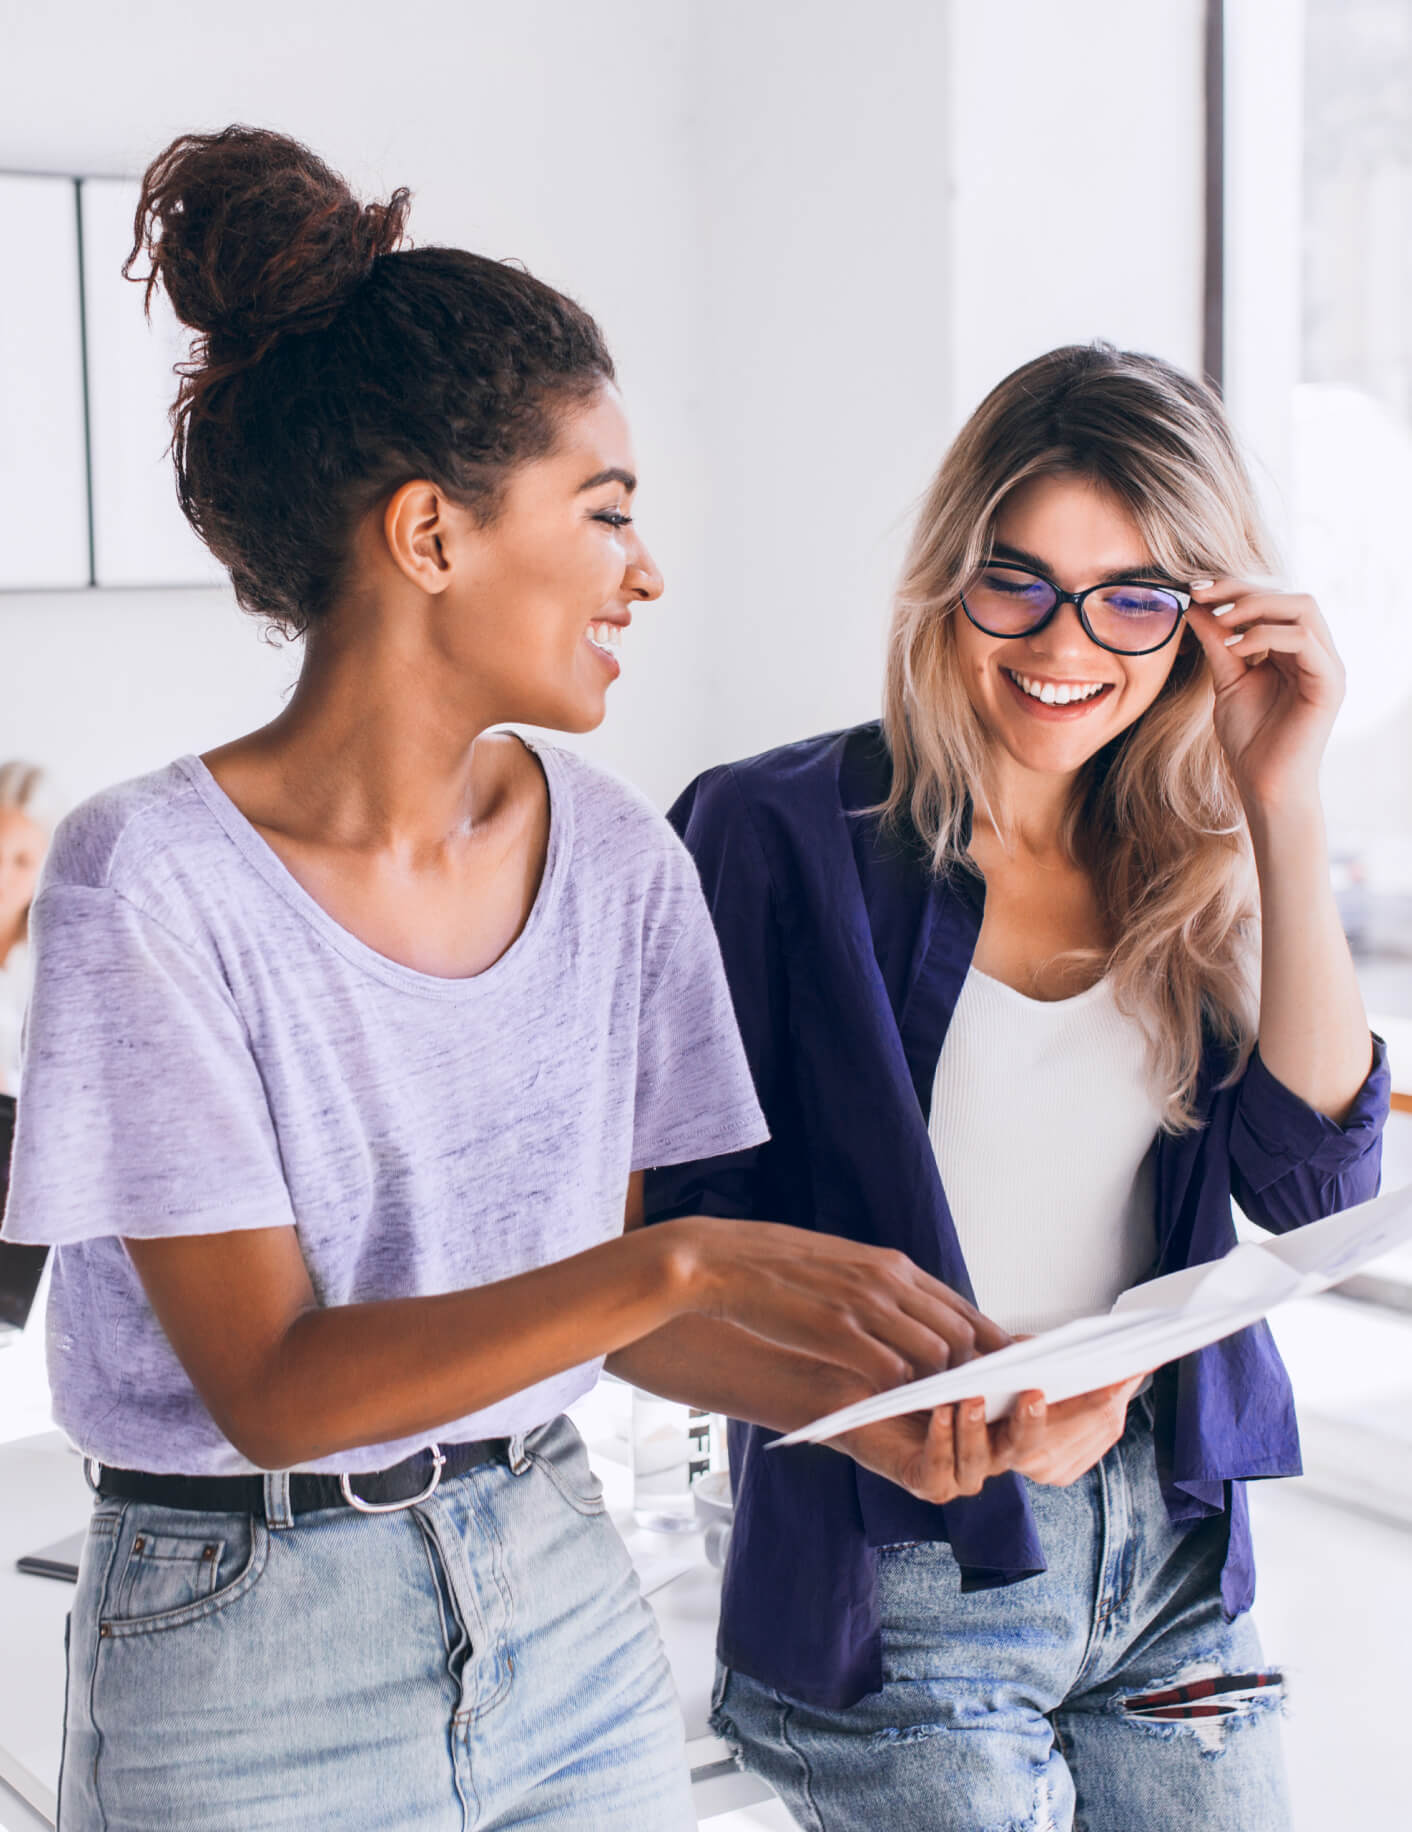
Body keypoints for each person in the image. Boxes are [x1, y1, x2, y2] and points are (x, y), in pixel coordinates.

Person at [0, 127, 1000, 1832]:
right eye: (606, 512)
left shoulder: (620, 868)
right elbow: (278, 1386)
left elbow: (580, 1335)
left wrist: (870, 1411)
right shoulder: (145, 883)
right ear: (430, 535)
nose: (647, 570)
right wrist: (676, 1258)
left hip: (555, 1591)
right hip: (246, 1645)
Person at [638, 345, 1389, 1832]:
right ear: (949, 576)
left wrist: (1282, 798)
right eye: (1019, 582)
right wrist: (877, 1417)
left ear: (1199, 620)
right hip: (900, 1574)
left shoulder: (1203, 855)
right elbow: (658, 1265)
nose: (1068, 641)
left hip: (1171, 1564)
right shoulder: (770, 833)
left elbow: (1313, 1188)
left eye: (1134, 596)